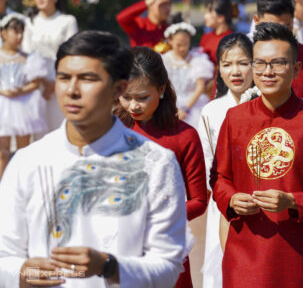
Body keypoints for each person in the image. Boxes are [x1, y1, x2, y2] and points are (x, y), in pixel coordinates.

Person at [0, 30, 188, 287]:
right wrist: (23, 272)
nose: (72, 90)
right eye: (64, 78)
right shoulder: (27, 161)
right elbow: (5, 255)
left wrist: (108, 265)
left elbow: (167, 265)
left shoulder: (155, 162)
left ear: (118, 88)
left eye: (87, 79)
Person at [210, 22, 303, 287]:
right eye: (260, 63)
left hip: (298, 257)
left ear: (296, 69)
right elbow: (219, 177)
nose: (268, 72)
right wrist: (231, 198)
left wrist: (293, 201)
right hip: (244, 256)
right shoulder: (235, 118)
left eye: (278, 63)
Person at [115, 46, 207, 288]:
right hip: (118, 243)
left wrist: (158, 217)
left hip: (165, 242)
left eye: (142, 97)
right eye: (126, 97)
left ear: (162, 89)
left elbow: (199, 200)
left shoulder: (185, 136)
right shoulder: (111, 131)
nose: (133, 106)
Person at [198, 33, 254, 288]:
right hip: (223, 201)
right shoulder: (211, 111)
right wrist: (226, 196)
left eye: (243, 62)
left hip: (263, 200)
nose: (235, 71)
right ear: (218, 68)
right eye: (227, 64)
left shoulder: (268, 104)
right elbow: (208, 164)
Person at [22, 0, 78, 134]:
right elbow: (26, 54)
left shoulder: (67, 21)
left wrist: (54, 82)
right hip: (35, 84)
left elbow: (72, 55)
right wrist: (41, 81)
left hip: (61, 82)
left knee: (59, 129)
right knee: (37, 135)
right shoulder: (30, 23)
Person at [0, 13, 48, 178]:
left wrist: (21, 91)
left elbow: (35, 83)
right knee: (2, 153)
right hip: (2, 106)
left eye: (21, 32)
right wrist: (3, 91)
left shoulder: (28, 58)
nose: (19, 36)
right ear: (4, 33)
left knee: (23, 152)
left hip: (23, 106)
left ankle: (21, 184)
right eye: (15, 31)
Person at [162, 22, 214, 127]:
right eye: (178, 45)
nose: (182, 48)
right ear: (170, 41)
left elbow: (200, 87)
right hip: (169, 104)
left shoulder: (197, 60)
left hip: (192, 104)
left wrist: (186, 108)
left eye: (185, 44)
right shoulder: (164, 60)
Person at [200, 0, 234, 65]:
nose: (205, 16)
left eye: (209, 12)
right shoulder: (206, 37)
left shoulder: (233, 40)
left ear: (221, 17)